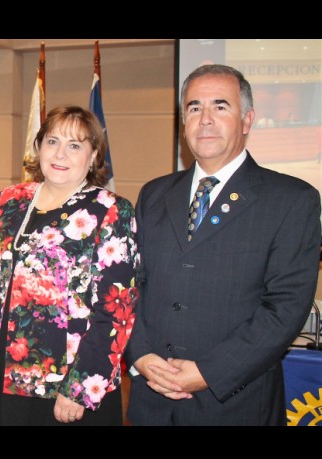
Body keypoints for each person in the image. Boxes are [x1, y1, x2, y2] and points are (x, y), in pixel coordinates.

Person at [126, 64, 321, 425]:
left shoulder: (292, 199)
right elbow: (130, 285)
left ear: (247, 120)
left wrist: (208, 372)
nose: (205, 119)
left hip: (235, 403)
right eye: (194, 107)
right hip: (151, 401)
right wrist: (139, 355)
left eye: (220, 106)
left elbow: (286, 306)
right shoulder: (153, 194)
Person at [0, 105, 140, 426]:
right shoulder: (10, 199)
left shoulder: (110, 210)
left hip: (64, 388)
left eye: (74, 145)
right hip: (0, 375)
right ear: (38, 147)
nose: (60, 153)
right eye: (52, 141)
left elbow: (118, 311)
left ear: (93, 156)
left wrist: (80, 388)